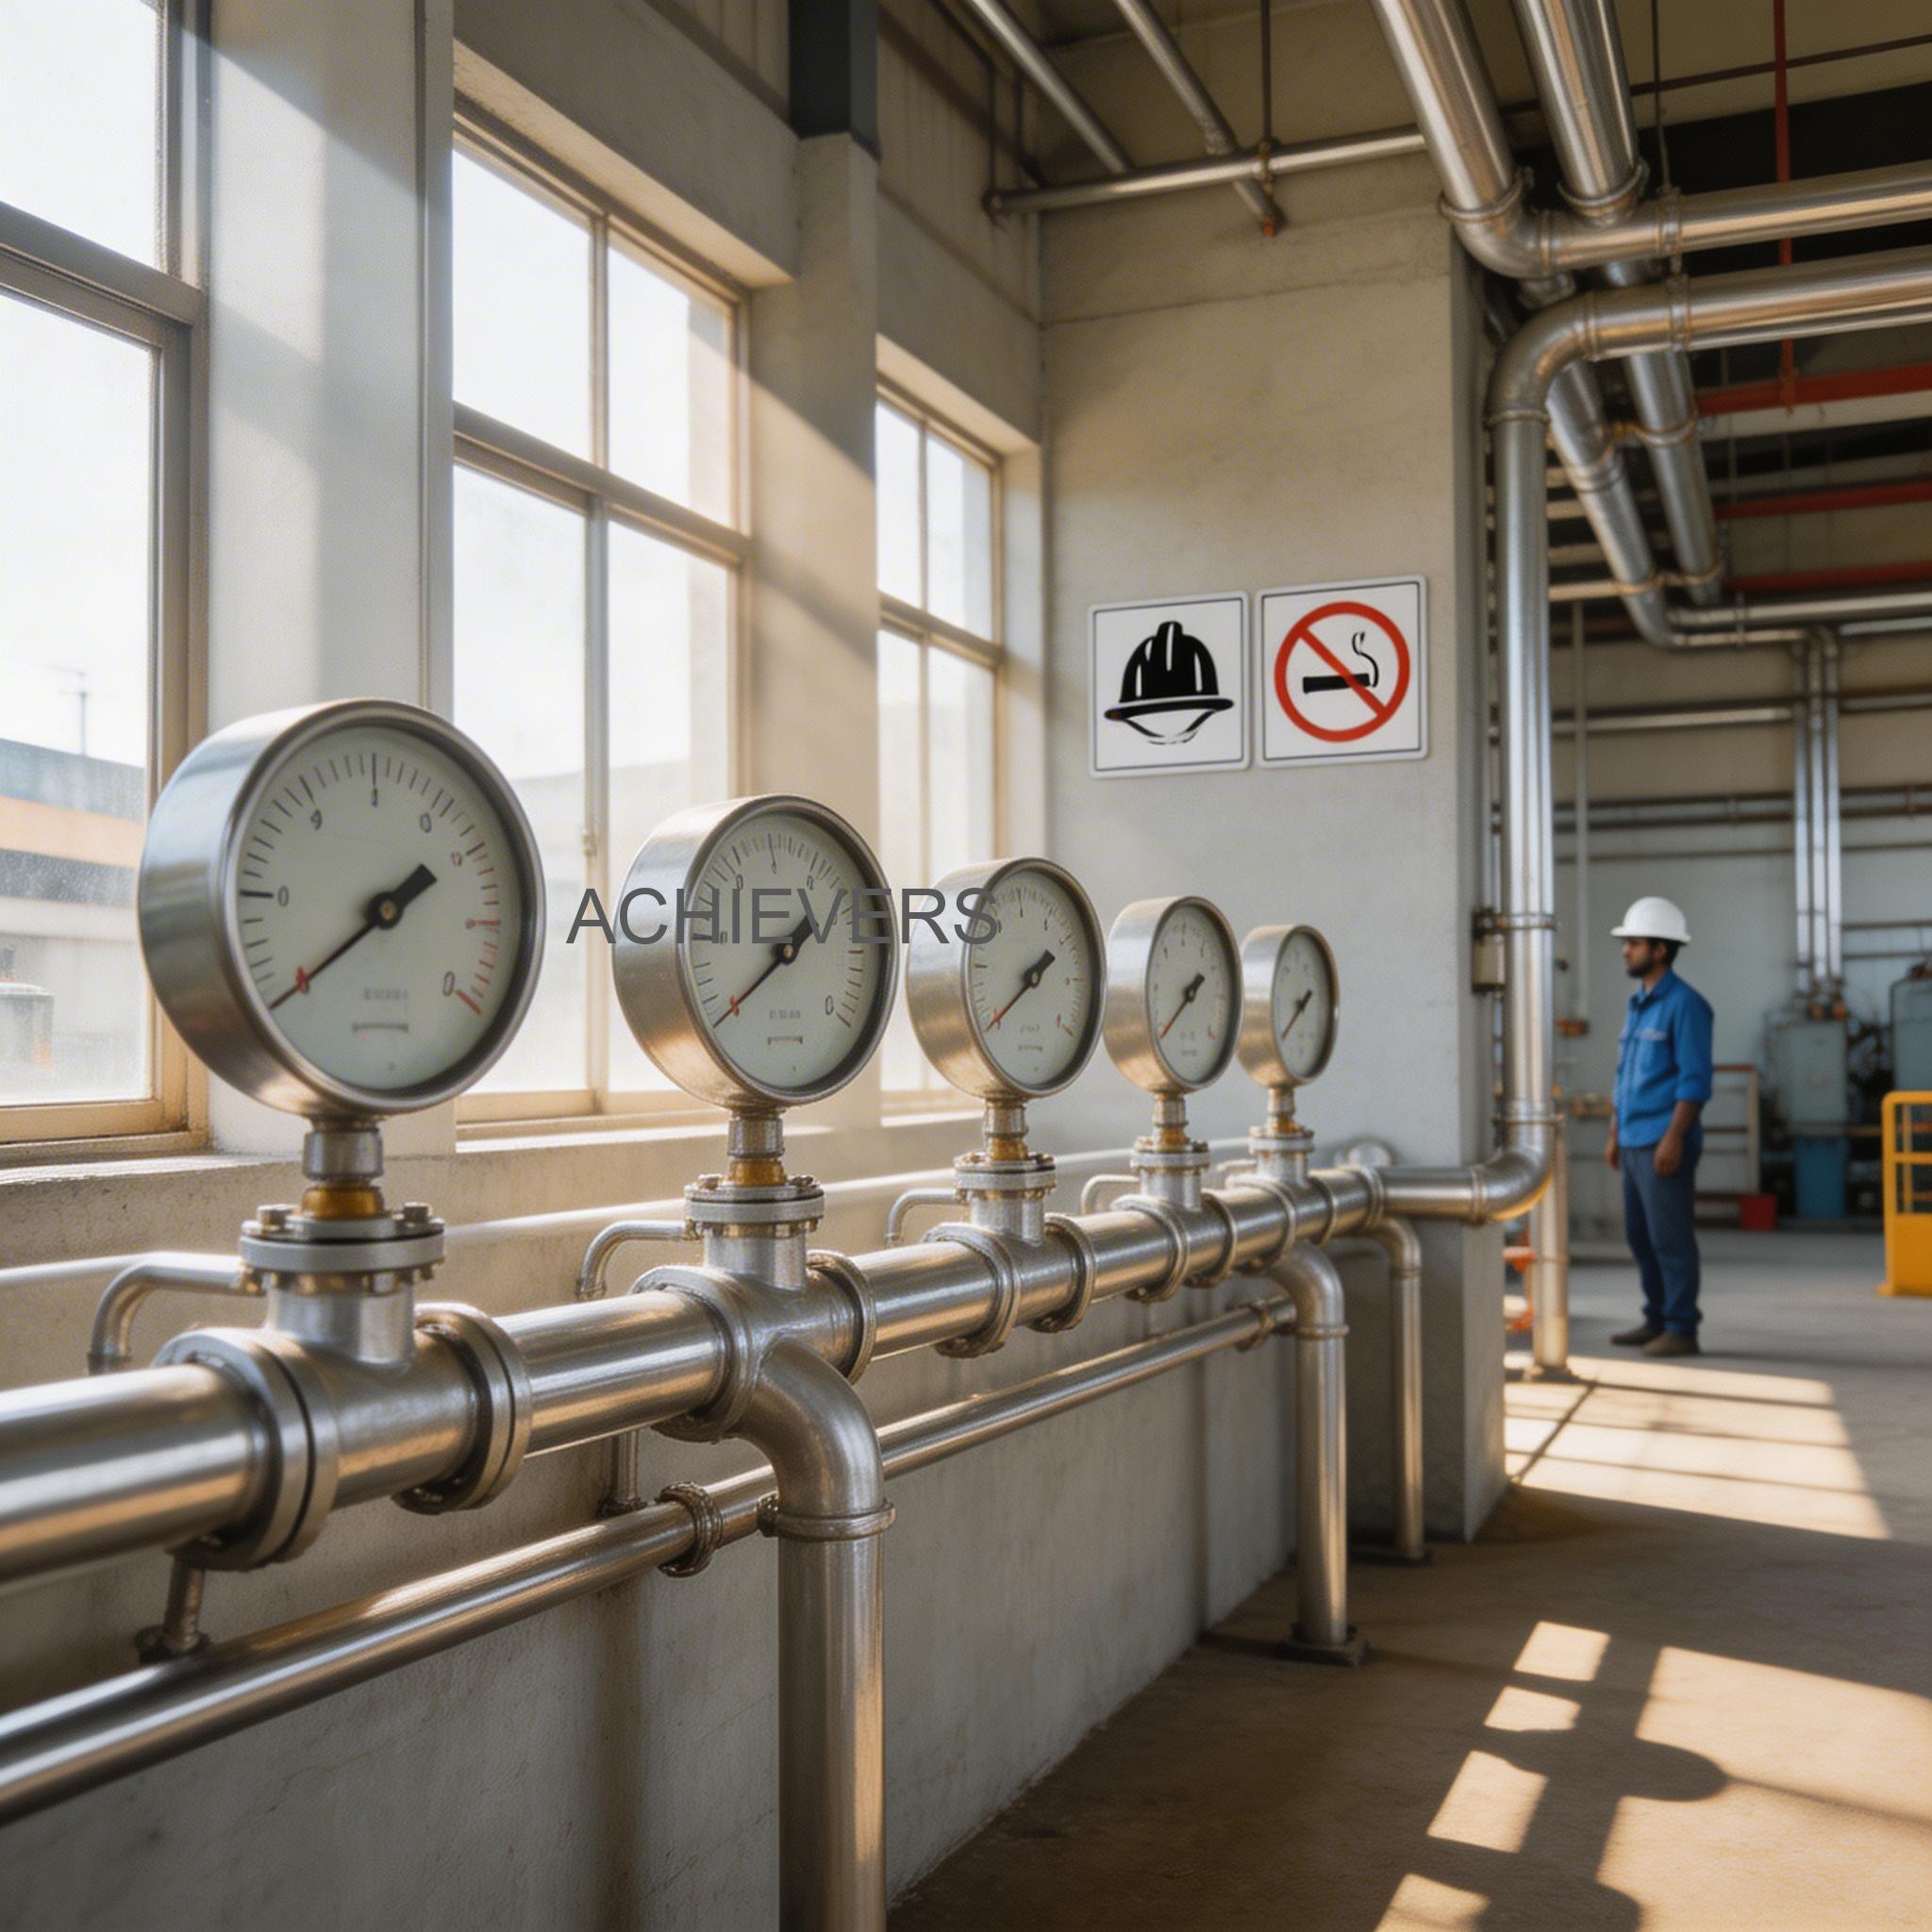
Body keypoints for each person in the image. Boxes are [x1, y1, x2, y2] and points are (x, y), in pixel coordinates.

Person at [1605, 896, 1714, 1358]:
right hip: (1632, 1139)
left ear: (1661, 950)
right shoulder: (1638, 1005)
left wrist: (1673, 1136)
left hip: (1662, 1142)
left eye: (1634, 942)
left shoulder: (1687, 1006)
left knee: (1670, 1238)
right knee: (1641, 1237)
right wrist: (1614, 1131)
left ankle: (1682, 1327)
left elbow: (1694, 1080)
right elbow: (1624, 1071)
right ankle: (1656, 1318)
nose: (1626, 951)